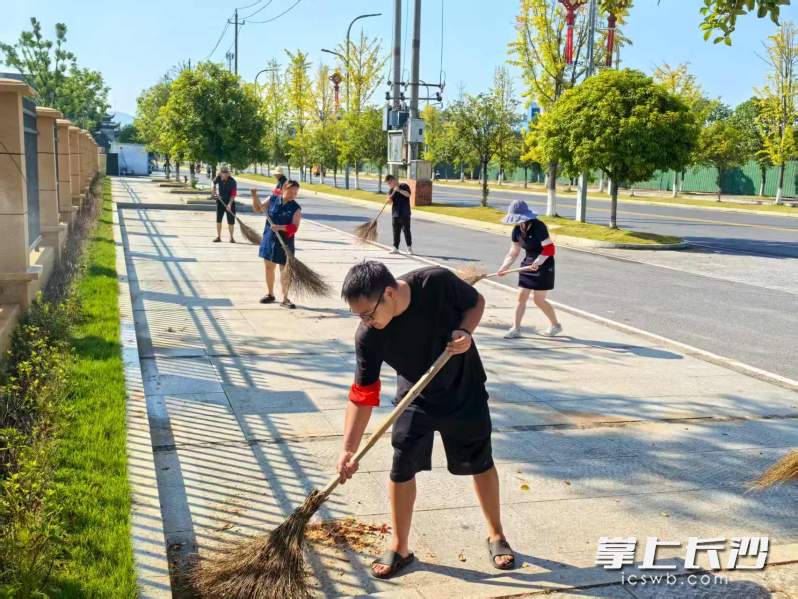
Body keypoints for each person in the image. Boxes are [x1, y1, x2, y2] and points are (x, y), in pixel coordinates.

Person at [337, 261, 515, 579]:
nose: (365, 321)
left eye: (368, 313)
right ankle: (400, 546)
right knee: (401, 466)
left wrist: (466, 332)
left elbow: (475, 302)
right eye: (359, 315)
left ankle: (496, 534)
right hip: (414, 398)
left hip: (464, 390)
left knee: (480, 462)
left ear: (389, 294)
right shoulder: (368, 335)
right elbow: (363, 394)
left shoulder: (435, 282)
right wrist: (348, 449)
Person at [497, 200, 561, 338]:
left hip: (544, 264)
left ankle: (556, 325)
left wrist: (538, 262)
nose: (516, 221)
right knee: (521, 297)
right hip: (528, 263)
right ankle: (515, 329)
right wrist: (504, 267)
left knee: (539, 300)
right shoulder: (516, 230)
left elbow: (550, 249)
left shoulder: (539, 227)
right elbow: (514, 251)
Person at [250, 180, 302, 309]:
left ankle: (285, 298)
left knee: (284, 271)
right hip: (269, 239)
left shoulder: (296, 208)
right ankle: (270, 294)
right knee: (269, 268)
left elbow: (294, 227)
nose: (292, 195)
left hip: (285, 243)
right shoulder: (272, 199)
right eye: (290, 192)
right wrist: (254, 197)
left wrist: (280, 227)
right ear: (283, 189)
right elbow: (257, 209)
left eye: (295, 193)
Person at [385, 174, 413, 255]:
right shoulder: (391, 190)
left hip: (405, 213)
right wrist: (388, 200)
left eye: (389, 183)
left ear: (393, 181)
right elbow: (390, 200)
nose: (388, 185)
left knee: (406, 230)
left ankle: (409, 248)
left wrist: (399, 190)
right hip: (395, 213)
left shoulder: (404, 186)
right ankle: (395, 248)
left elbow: (408, 194)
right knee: (395, 231)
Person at [212, 166, 237, 243]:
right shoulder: (219, 177)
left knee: (231, 222)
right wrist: (213, 187)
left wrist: (229, 204)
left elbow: (233, 194)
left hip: (230, 203)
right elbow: (213, 182)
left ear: (227, 175)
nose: (222, 177)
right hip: (220, 202)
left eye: (223, 175)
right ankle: (219, 237)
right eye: (221, 175)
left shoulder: (233, 182)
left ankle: (231, 237)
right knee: (218, 220)